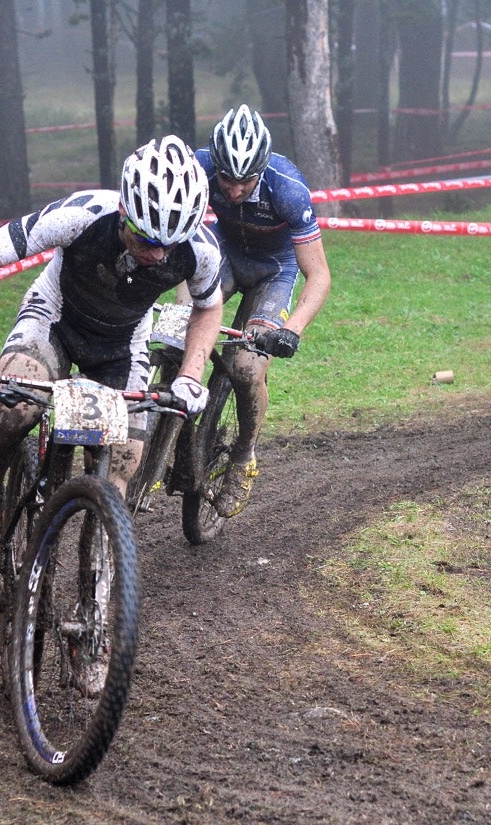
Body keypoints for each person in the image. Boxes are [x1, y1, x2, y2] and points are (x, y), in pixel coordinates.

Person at [0, 135, 223, 578]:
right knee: (15, 412)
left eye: (170, 245)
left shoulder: (200, 250)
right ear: (124, 212)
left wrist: (190, 374)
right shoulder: (81, 214)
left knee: (126, 460)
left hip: (123, 343)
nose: (158, 255)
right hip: (55, 319)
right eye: (148, 239)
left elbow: (208, 307)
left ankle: (99, 587)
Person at [194, 104, 331, 518]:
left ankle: (242, 457)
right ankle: (167, 430)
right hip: (226, 255)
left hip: (275, 269)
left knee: (248, 370)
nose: (233, 191)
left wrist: (292, 329)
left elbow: (319, 276)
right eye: (226, 180)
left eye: (245, 181)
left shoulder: (288, 188)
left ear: (262, 169)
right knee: (180, 330)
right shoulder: (198, 167)